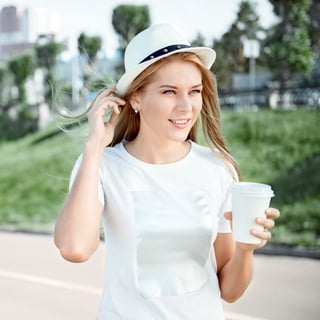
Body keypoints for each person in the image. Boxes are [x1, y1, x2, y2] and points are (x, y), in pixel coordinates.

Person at [54, 23, 280, 320]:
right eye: (169, 92)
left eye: (194, 91)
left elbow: (229, 291)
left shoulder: (218, 169)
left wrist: (246, 250)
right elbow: (75, 248)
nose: (186, 106)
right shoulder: (102, 166)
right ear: (135, 98)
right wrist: (94, 146)